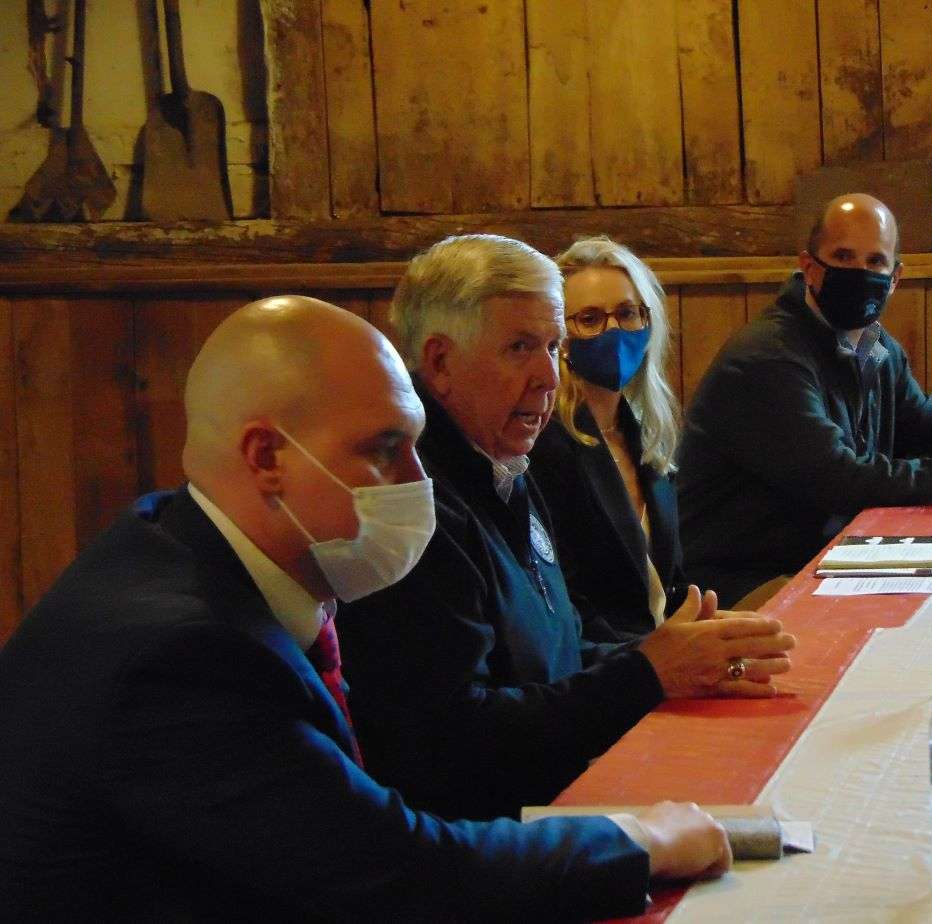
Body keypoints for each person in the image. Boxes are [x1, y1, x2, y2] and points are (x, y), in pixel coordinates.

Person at [0, 296, 732, 920]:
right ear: (265, 458)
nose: (418, 480)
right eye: (384, 450)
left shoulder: (180, 538)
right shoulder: (179, 656)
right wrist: (638, 841)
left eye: (415, 445)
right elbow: (400, 875)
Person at [339, 235, 795, 822]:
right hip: (492, 835)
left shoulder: (502, 463)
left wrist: (684, 656)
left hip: (560, 789)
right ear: (440, 363)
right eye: (519, 347)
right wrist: (648, 672)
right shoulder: (415, 506)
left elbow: (558, 653)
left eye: (553, 348)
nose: (548, 377)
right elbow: (454, 743)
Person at [677, 193, 932, 606]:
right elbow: (838, 479)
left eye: (874, 262)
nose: (859, 273)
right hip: (739, 583)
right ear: (809, 266)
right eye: (843, 256)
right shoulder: (768, 357)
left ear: (895, 276)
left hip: (836, 557)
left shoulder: (874, 347)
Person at [528, 236, 685, 642]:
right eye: (591, 319)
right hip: (606, 667)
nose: (614, 330)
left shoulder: (643, 432)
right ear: (561, 337)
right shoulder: (546, 445)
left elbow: (670, 583)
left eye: (628, 314)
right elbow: (569, 605)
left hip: (662, 648)